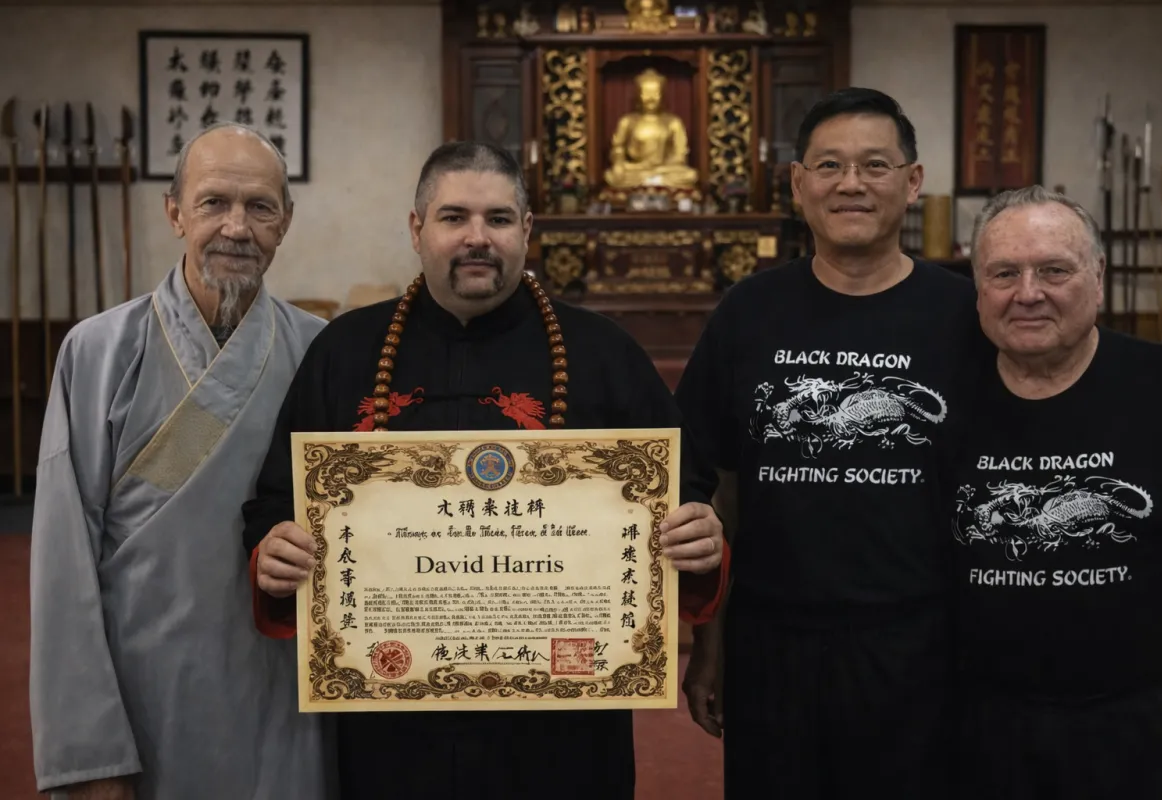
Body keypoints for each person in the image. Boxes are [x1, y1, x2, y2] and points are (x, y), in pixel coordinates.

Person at [241, 140, 730, 799]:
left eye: (498, 219)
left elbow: (685, 500)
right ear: (417, 230)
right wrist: (275, 548)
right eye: (454, 218)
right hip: (393, 717)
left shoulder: (603, 355)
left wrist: (697, 536)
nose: (478, 238)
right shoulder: (347, 352)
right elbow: (277, 504)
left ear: (527, 230)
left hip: (563, 725)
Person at [674, 87, 984, 798]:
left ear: (913, 182)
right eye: (830, 165)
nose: (850, 184)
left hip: (920, 640)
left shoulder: (964, 315)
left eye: (875, 165)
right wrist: (710, 639)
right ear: (797, 183)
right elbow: (713, 481)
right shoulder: (750, 311)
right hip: (773, 638)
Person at [28, 123, 331, 800]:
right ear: (174, 214)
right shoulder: (96, 353)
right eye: (212, 203)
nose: (236, 227)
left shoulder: (324, 352)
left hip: (279, 689)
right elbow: (61, 570)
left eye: (260, 207)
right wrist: (89, 754)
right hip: (143, 696)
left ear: (286, 221)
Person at [947, 185, 1162, 799]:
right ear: (978, 287)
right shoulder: (945, 394)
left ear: (1098, 277)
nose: (1028, 293)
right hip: (971, 729)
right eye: (1004, 272)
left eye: (1054, 270)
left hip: (1139, 728)